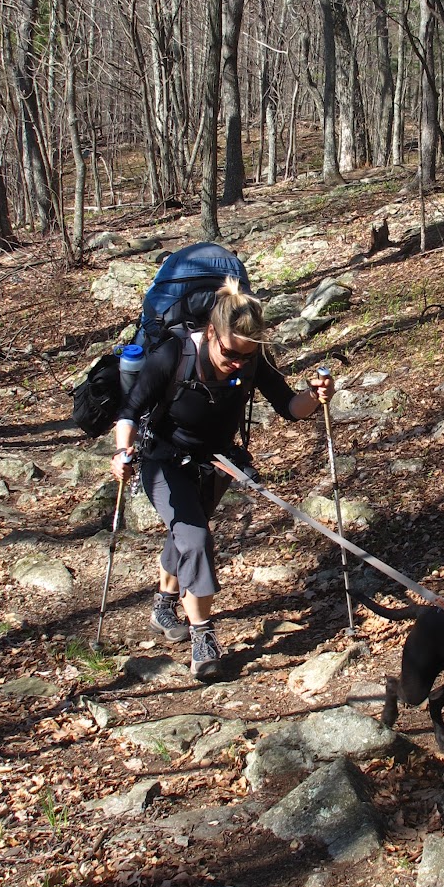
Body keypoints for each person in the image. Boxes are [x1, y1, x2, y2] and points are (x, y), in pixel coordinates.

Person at [110, 277, 335, 681]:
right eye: (230, 353)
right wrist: (122, 452)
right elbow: (130, 409)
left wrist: (317, 397)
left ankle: (164, 605)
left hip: (215, 462)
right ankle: (203, 636)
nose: (237, 363)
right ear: (211, 332)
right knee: (196, 538)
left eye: (246, 357)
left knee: (185, 533)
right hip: (162, 458)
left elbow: (289, 406)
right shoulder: (173, 355)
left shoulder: (250, 359)